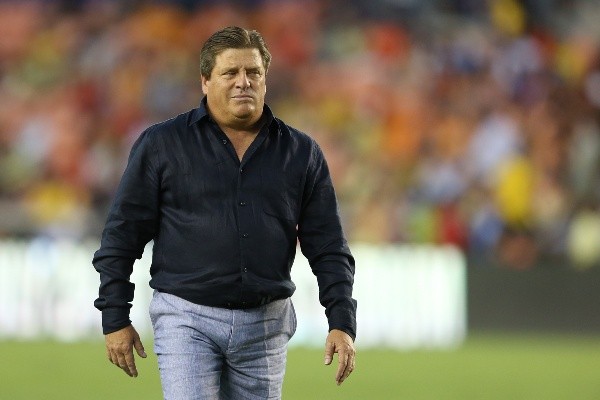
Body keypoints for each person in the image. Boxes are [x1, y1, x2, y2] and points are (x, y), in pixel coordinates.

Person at [92, 26, 357, 399]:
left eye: (253, 73)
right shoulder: (162, 144)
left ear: (265, 80)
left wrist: (341, 321)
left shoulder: (301, 153)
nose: (243, 82)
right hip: (185, 317)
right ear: (205, 81)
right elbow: (122, 235)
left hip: (266, 324)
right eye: (230, 72)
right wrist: (115, 316)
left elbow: (328, 245)